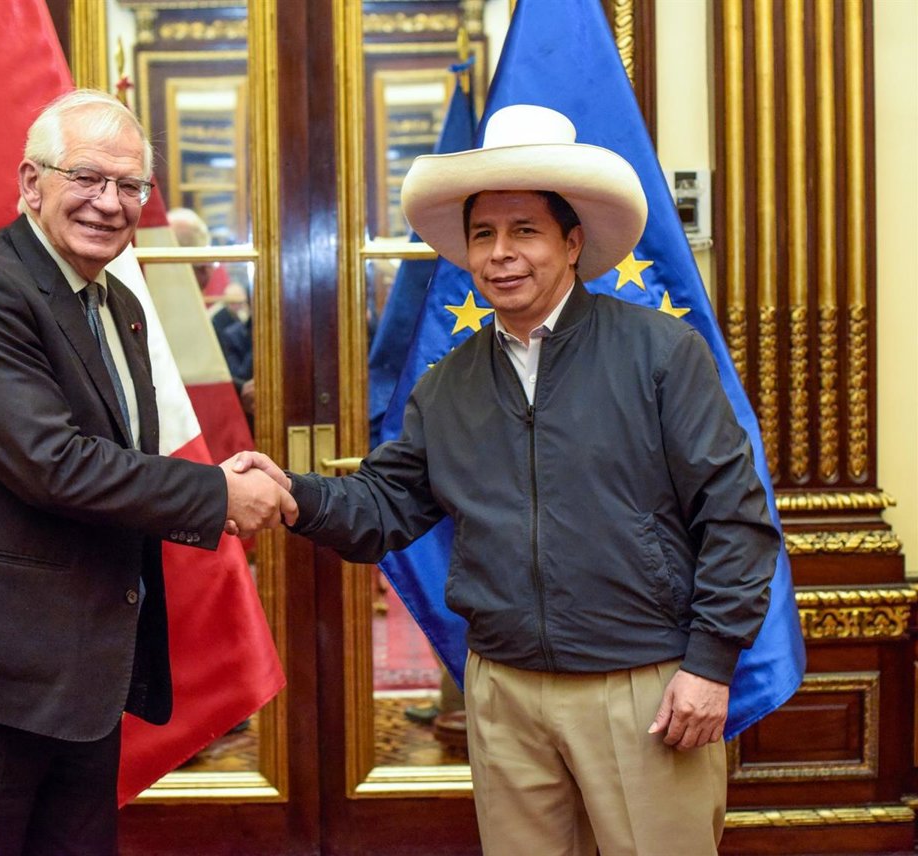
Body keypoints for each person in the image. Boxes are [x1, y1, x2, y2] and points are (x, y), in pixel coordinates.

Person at [234, 104, 779, 855]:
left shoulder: (660, 353)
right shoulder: (447, 384)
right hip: (503, 692)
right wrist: (290, 494)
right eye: (483, 234)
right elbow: (385, 505)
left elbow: (736, 517)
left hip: (644, 685)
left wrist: (710, 664)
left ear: (572, 243)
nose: (501, 254)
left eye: (525, 230)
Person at [0, 89, 294, 856]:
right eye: (87, 177)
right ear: (32, 183)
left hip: (78, 673)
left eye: (130, 185)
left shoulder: (118, 302)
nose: (109, 202)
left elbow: (111, 453)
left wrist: (213, 476)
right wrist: (217, 495)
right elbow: (52, 464)